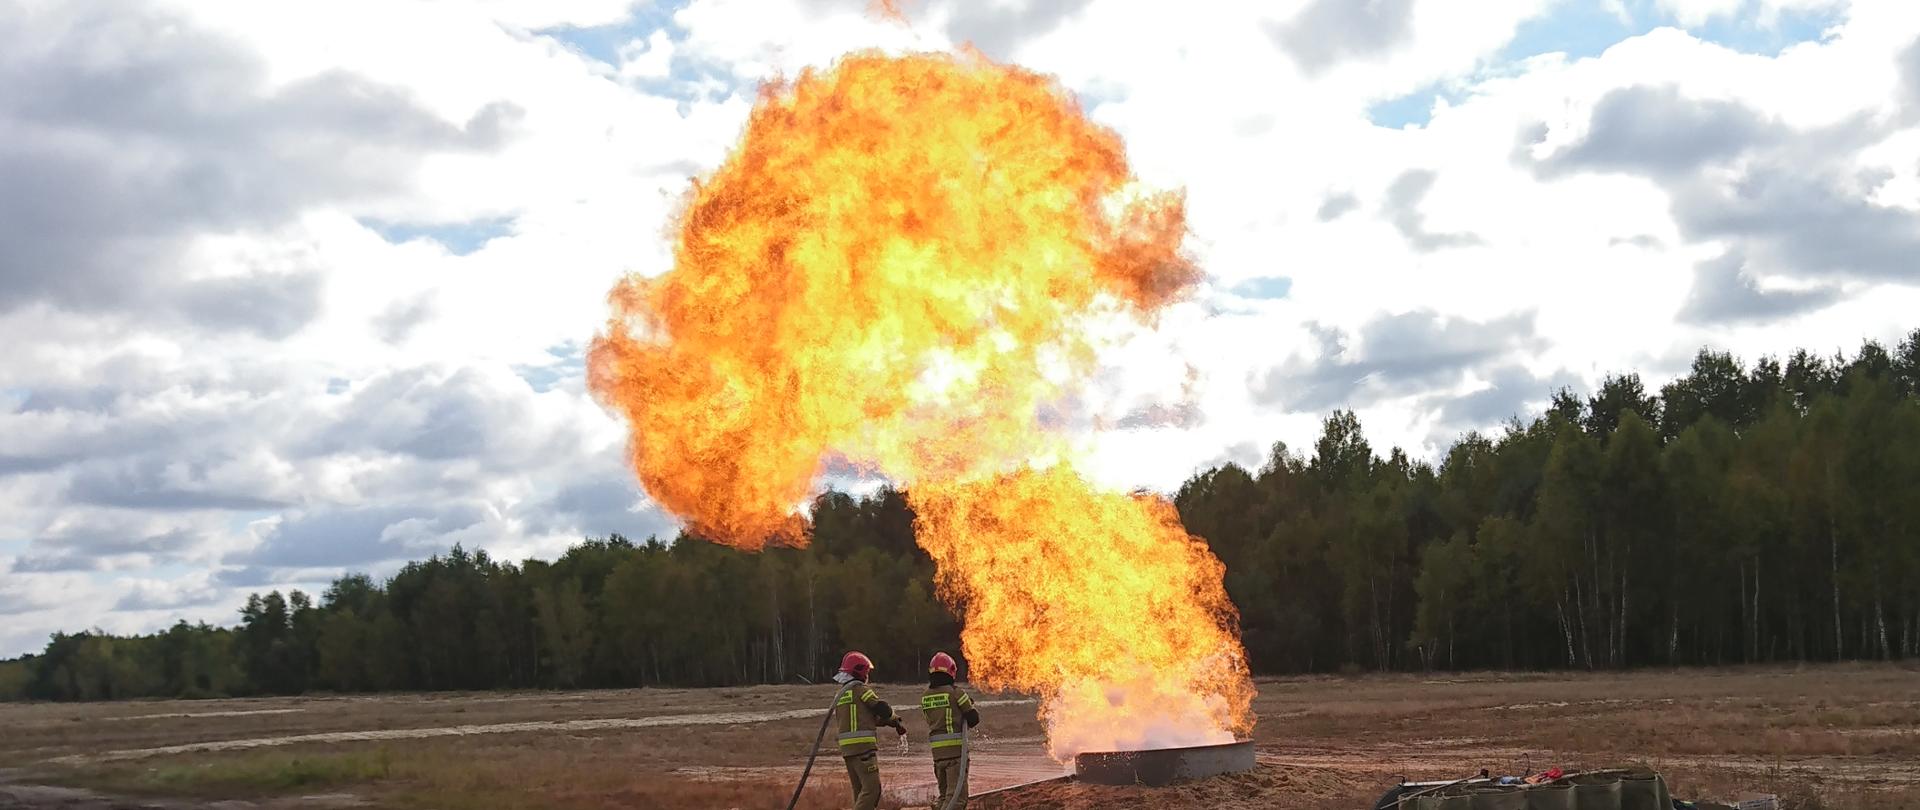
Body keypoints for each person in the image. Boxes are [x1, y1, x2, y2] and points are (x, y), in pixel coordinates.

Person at [833, 651, 905, 810]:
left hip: (848, 751)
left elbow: (863, 719)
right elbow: (881, 708)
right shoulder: (861, 690)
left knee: (860, 791)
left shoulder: (841, 695)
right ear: (861, 672)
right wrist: (892, 716)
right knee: (872, 790)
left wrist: (890, 722)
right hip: (863, 749)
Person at [920, 652, 981, 810]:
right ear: (951, 671)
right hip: (955, 754)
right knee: (957, 799)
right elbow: (973, 718)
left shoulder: (925, 696)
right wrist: (968, 705)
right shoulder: (956, 693)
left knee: (944, 796)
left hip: (937, 755)